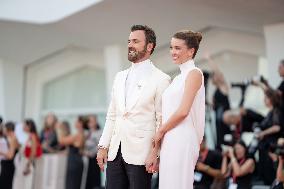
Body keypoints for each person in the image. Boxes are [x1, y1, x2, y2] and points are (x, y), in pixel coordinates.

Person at [96, 24, 170, 189]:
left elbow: (161, 120)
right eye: (129, 41)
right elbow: (112, 115)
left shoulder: (161, 79)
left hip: (142, 155)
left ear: (149, 46)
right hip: (115, 152)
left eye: (135, 41)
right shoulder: (119, 77)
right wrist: (103, 146)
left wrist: (155, 153)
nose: (130, 45)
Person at [151, 29, 205, 189]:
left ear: (191, 51)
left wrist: (160, 132)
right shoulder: (177, 79)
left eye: (177, 48)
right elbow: (165, 113)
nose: (172, 52)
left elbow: (183, 111)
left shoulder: (195, 74)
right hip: (169, 140)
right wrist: (157, 148)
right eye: (171, 47)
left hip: (182, 138)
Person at [57, 116, 85, 189]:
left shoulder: (78, 135)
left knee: (72, 184)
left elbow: (61, 141)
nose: (75, 123)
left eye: (77, 121)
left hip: (74, 163)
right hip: (75, 161)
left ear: (81, 123)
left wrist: (59, 129)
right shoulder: (80, 134)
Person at [0, 122, 20, 189]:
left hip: (8, 166)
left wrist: (1, 152)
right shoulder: (12, 138)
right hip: (8, 165)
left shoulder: (12, 139)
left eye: (4, 129)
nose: (3, 130)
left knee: (5, 186)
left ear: (8, 129)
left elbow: (10, 156)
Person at [84, 115, 102, 189]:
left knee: (95, 180)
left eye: (92, 121)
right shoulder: (86, 133)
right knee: (86, 180)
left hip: (94, 159)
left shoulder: (99, 132)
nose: (91, 123)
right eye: (89, 121)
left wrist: (91, 153)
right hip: (86, 159)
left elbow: (99, 146)